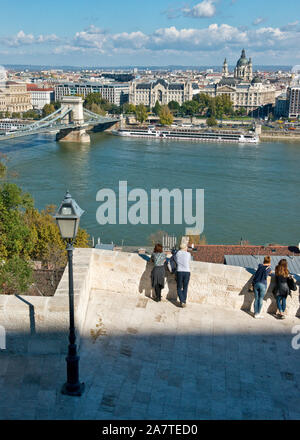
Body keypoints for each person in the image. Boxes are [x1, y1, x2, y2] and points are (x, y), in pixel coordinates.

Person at [174, 243, 191, 308]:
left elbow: (175, 260)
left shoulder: (177, 253)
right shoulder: (188, 254)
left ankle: (182, 301)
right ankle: (183, 301)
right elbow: (188, 261)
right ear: (185, 248)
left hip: (179, 271)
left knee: (179, 287)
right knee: (185, 287)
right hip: (187, 272)